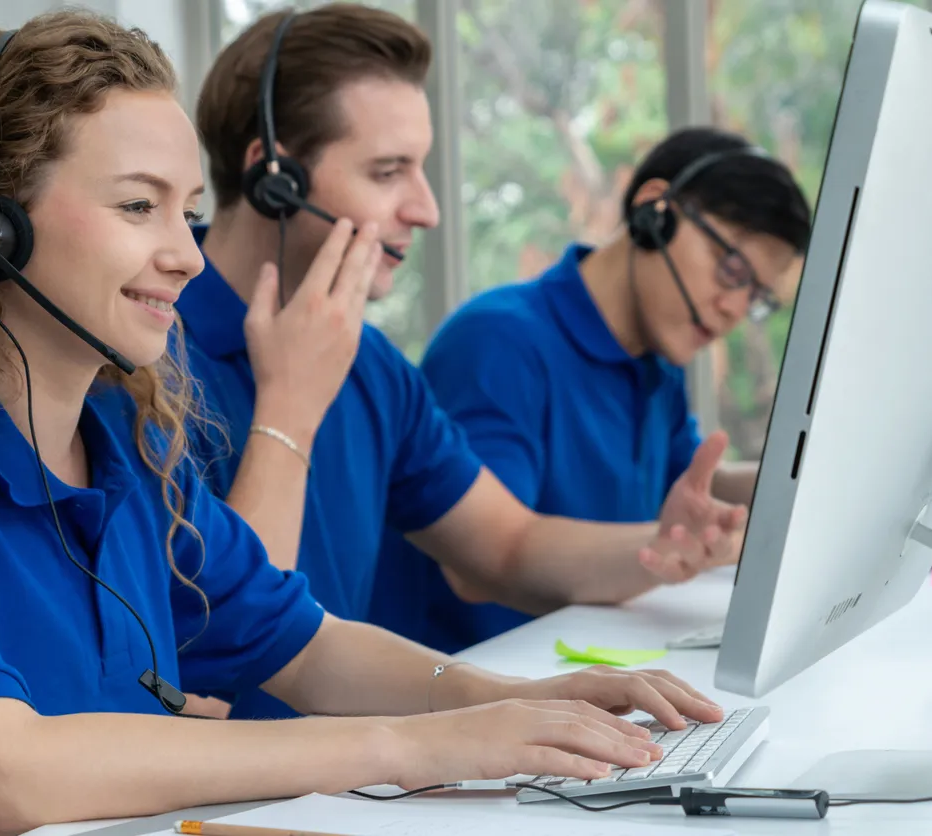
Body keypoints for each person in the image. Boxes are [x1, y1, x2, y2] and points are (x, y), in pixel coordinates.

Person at [0, 11, 725, 836]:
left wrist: (519, 703)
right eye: (136, 206)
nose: (185, 253)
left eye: (185, 209)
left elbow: (305, 644)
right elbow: (6, 769)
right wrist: (406, 746)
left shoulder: (129, 450)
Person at [181, 3, 747, 721]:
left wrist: (661, 546)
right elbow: (219, 659)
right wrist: (287, 404)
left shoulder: (369, 362)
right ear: (274, 178)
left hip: (357, 767)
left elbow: (506, 548)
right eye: (388, 172)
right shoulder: (143, 358)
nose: (426, 210)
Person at [385, 127, 811, 654]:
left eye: (757, 297)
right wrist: (658, 546)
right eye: (732, 270)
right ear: (655, 211)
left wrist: (812, 475)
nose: (735, 310)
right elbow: (479, 564)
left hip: (588, 663)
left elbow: (695, 488)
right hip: (483, 677)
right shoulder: (498, 343)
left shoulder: (656, 359)